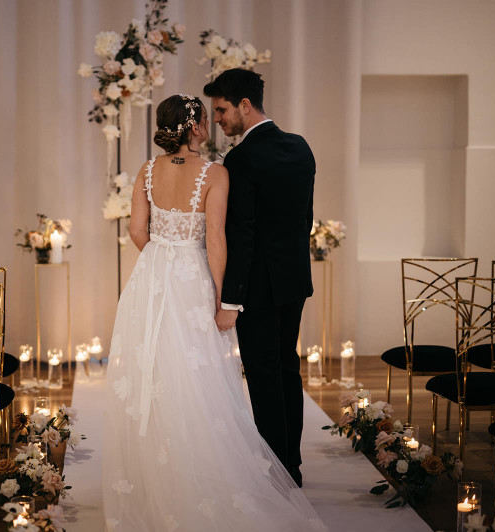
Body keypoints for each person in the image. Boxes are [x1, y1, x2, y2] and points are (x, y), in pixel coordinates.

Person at [102, 94, 325, 531]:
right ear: (195, 127)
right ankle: (197, 472)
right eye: (205, 118)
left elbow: (135, 230)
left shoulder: (147, 171)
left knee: (157, 372)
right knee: (199, 375)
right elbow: (218, 239)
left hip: (151, 281)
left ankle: (155, 478)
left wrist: (161, 260)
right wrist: (224, 299)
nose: (210, 124)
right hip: (193, 278)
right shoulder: (215, 174)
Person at [204, 68, 316, 488]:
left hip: (258, 289)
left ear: (245, 106)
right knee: (287, 370)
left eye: (221, 110)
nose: (218, 120)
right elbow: (304, 220)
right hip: (293, 284)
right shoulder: (300, 148)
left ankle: (277, 474)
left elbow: (242, 235)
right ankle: (293, 466)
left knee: (264, 377)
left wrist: (229, 299)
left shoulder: (242, 159)